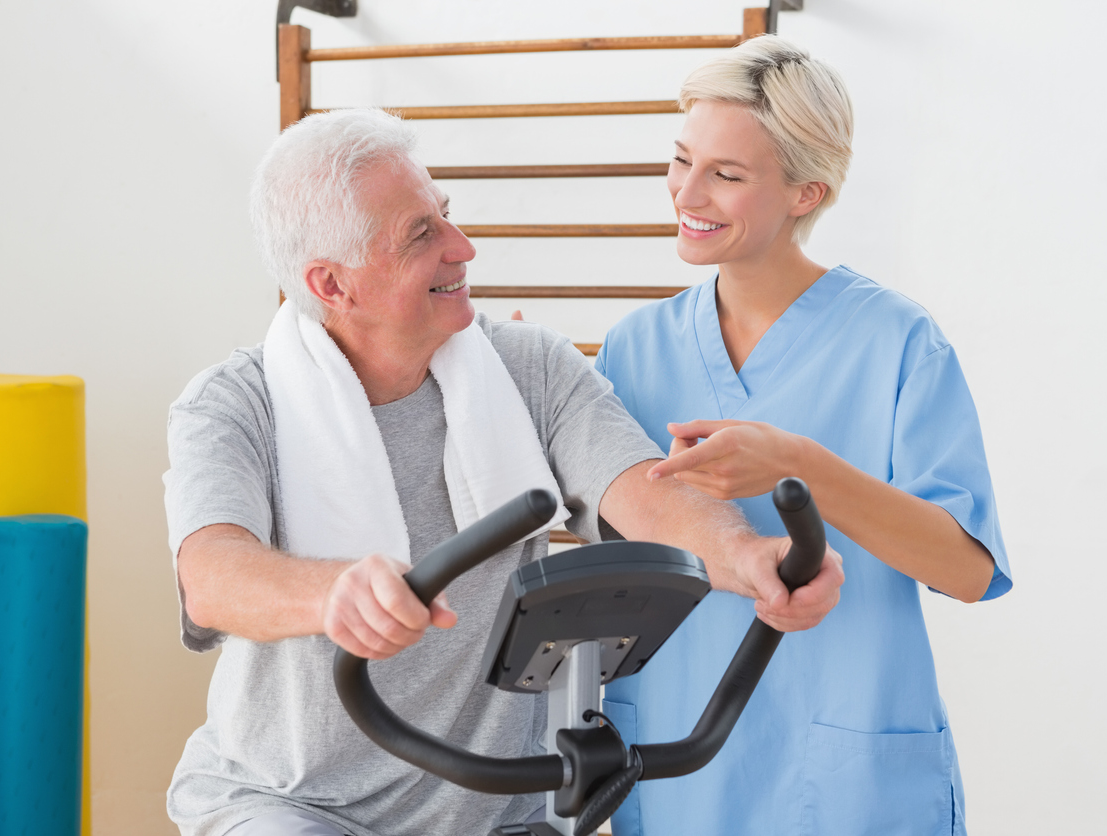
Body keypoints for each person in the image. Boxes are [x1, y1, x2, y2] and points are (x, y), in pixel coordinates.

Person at [162, 108, 843, 836]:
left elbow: (644, 490)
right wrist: (335, 593)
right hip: (292, 802)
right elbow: (212, 576)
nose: (464, 248)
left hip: (499, 812)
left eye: (445, 216)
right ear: (332, 285)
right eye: (421, 235)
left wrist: (749, 557)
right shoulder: (233, 404)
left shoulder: (530, 369)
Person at [595, 36, 1013, 836]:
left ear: (804, 191)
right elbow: (615, 553)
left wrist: (798, 465)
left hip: (848, 761)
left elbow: (966, 571)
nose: (689, 191)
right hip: (683, 744)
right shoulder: (633, 348)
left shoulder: (897, 341)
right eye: (683, 160)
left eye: (728, 174)